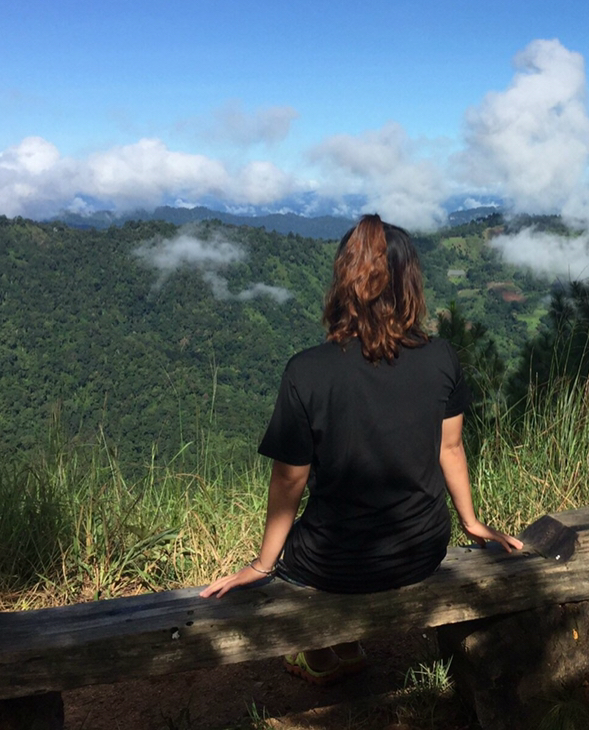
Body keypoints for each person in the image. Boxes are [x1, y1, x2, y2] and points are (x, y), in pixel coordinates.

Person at [200, 214, 521, 684]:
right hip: (422, 548)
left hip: (336, 563)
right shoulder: (441, 358)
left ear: (343, 283)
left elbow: (290, 480)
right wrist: (471, 523)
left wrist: (262, 565)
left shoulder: (307, 372)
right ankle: (347, 645)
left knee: (305, 545)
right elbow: (451, 448)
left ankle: (319, 653)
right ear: (410, 284)